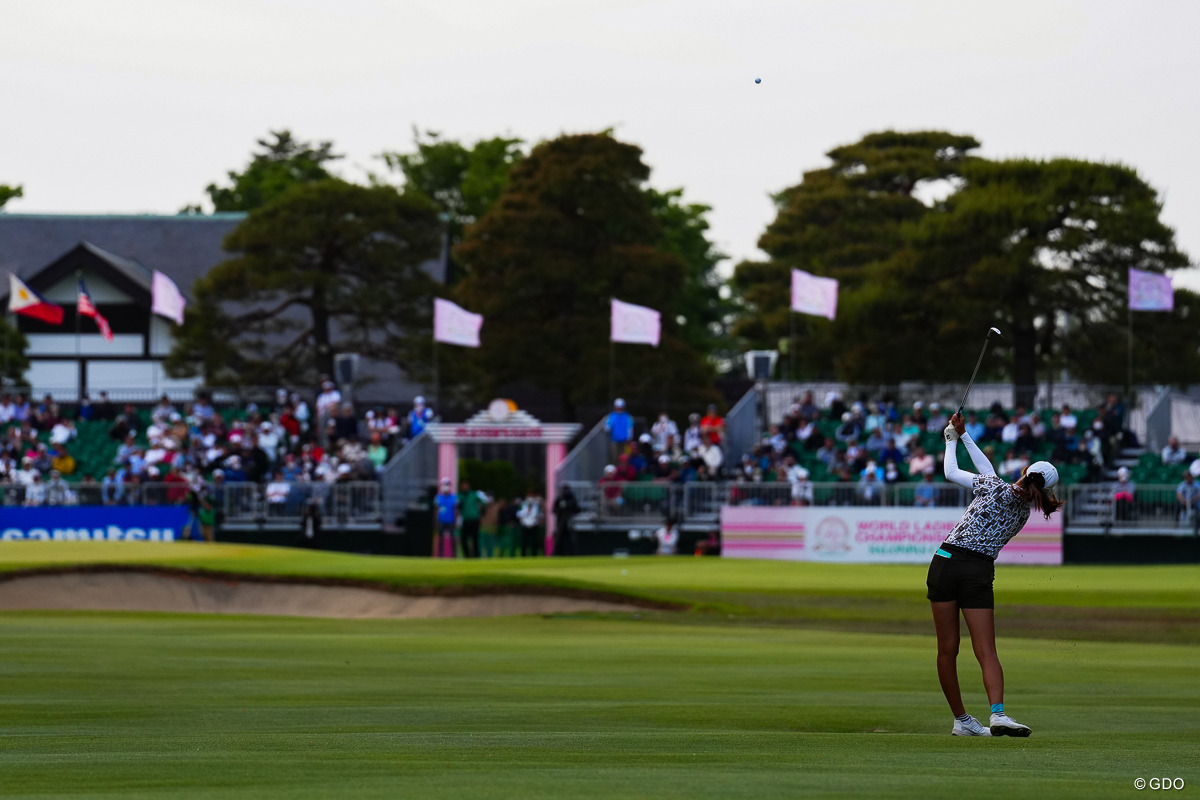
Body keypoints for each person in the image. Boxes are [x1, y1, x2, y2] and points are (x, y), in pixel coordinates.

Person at [930, 412, 1063, 738]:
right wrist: (964, 436)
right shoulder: (1023, 512)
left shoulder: (992, 487)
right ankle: (998, 714)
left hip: (945, 562)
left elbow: (950, 472)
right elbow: (988, 472)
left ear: (1025, 471)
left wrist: (950, 440)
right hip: (977, 571)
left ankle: (961, 720)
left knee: (948, 649)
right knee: (986, 650)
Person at [457, 480, 486, 559]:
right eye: (463, 485)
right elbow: (457, 506)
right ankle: (467, 556)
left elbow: (484, 502)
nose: (464, 487)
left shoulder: (474, 494)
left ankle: (476, 556)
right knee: (463, 539)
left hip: (474, 520)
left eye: (465, 485)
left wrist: (482, 513)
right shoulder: (460, 495)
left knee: (475, 539)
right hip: (465, 520)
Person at [434, 478, 458, 558]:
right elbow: (436, 509)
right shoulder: (438, 497)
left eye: (447, 485)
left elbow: (456, 509)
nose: (446, 487)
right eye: (445, 485)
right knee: (440, 538)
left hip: (451, 520)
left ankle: (454, 555)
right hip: (441, 520)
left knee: (452, 538)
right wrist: (435, 520)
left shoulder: (453, 497)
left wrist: (456, 520)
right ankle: (440, 555)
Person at [605, 399, 634, 463]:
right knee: (614, 456)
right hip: (614, 439)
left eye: (621, 408)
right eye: (618, 408)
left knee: (625, 457)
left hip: (625, 440)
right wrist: (608, 428)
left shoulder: (627, 416)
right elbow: (608, 426)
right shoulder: (612, 416)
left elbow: (630, 427)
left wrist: (630, 437)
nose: (619, 409)